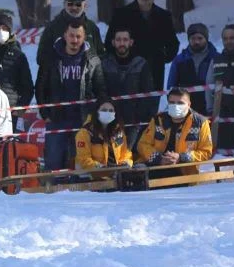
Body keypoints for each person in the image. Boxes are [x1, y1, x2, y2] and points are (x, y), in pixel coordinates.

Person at [35, 19, 106, 172]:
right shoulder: (51, 58)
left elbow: (101, 89)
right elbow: (40, 87)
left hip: (83, 120)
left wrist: (94, 117)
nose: (75, 40)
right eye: (71, 36)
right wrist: (45, 113)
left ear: (84, 37)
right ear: (65, 35)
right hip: (56, 120)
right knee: (53, 164)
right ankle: (54, 187)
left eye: (78, 36)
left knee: (79, 163)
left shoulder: (93, 60)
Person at [104, 0, 179, 89]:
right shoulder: (122, 14)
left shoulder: (164, 16)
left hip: (154, 72)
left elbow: (173, 43)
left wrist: (161, 58)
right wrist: (120, 60)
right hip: (127, 71)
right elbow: (109, 42)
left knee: (152, 99)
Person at [136, 87, 213, 175]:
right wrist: (159, 159)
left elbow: (206, 152)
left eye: (180, 103)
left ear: (189, 104)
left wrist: (181, 157)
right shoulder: (158, 120)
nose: (176, 106)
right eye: (172, 103)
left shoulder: (200, 122)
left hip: (184, 170)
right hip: (155, 165)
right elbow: (142, 145)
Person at [101, 27, 156, 148]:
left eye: (125, 40)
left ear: (131, 42)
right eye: (118, 40)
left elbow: (147, 92)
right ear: (113, 42)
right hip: (111, 119)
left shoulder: (141, 64)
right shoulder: (105, 63)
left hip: (134, 121)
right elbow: (101, 90)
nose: (122, 43)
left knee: (130, 153)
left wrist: (139, 116)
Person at [0, 13, 33, 130]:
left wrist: (20, 109)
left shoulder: (18, 56)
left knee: (9, 142)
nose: (1, 31)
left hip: (11, 113)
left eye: (5, 28)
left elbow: (27, 87)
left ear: (10, 32)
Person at [206, 24, 234, 150]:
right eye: (225, 38)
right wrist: (210, 109)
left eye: (232, 38)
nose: (228, 41)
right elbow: (209, 85)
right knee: (223, 150)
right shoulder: (216, 60)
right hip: (223, 112)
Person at [38, 0, 104, 65]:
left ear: (85, 6)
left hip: (86, 71)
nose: (74, 8)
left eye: (78, 4)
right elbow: (41, 58)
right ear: (64, 4)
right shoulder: (52, 27)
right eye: (70, 4)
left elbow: (100, 55)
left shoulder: (91, 27)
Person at [166, 22, 218, 115]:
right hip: (185, 109)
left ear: (206, 38)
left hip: (210, 109)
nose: (196, 42)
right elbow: (171, 86)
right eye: (193, 38)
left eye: (200, 38)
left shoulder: (216, 58)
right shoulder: (180, 60)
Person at [75, 99, 133, 170]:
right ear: (97, 111)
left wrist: (126, 162)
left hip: (116, 171)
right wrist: (101, 168)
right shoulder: (85, 132)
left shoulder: (118, 130)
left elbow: (126, 153)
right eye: (104, 110)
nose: (108, 113)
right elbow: (83, 159)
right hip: (91, 173)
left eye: (111, 111)